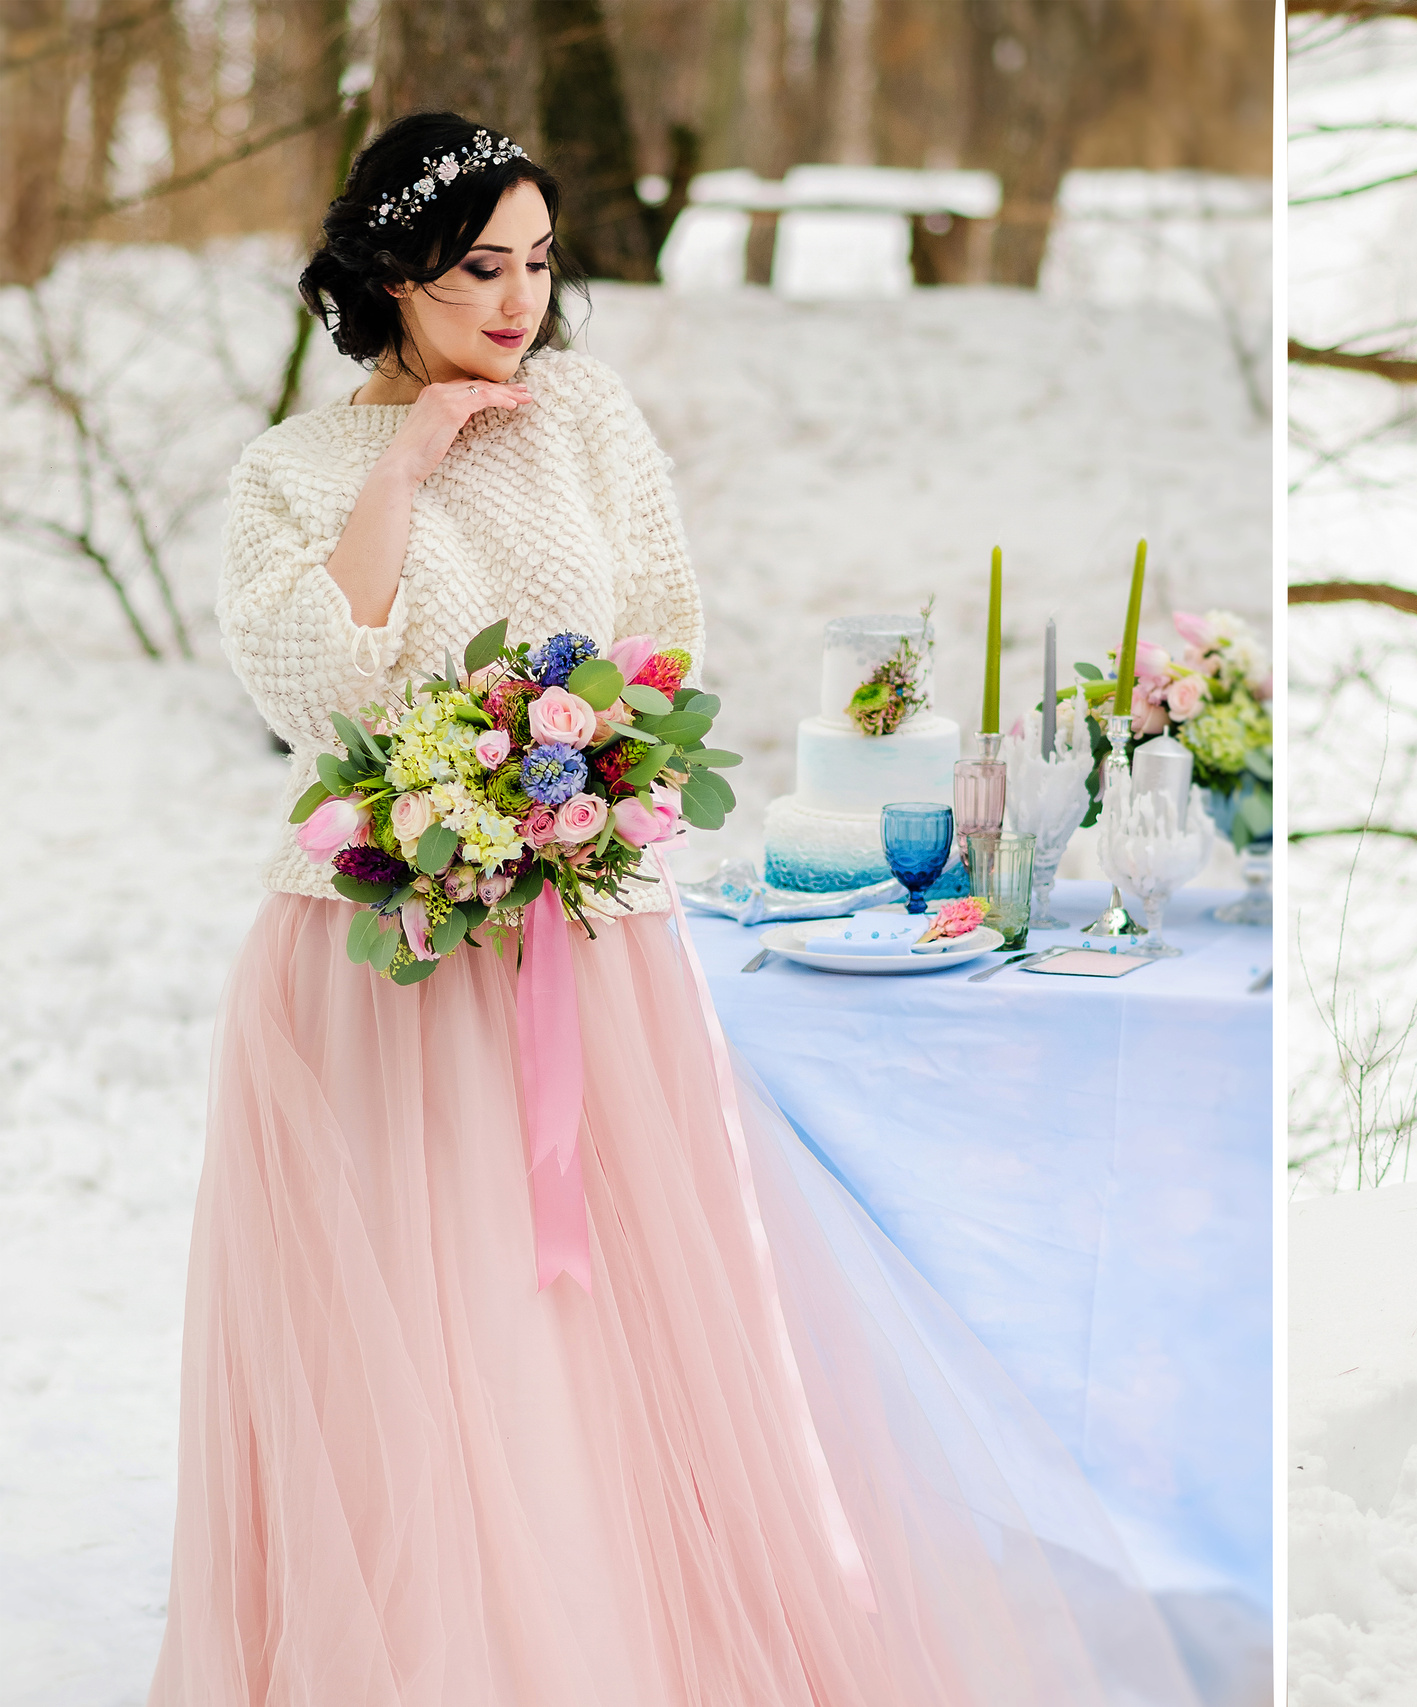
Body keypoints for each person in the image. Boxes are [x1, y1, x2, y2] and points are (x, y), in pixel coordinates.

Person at [149, 111, 1199, 1705]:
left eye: (539, 263)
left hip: (584, 925)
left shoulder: (583, 413)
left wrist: (570, 789)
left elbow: (663, 638)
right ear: (389, 272)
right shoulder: (289, 470)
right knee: (423, 1332)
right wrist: (411, 462)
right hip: (382, 945)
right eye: (479, 267)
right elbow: (310, 686)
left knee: (579, 1309)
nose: (519, 302)